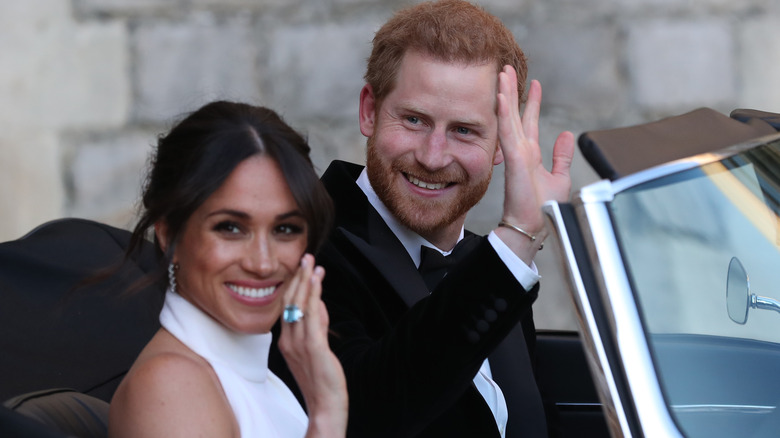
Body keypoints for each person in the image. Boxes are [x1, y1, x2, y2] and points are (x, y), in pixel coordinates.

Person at [291, 1, 575, 437]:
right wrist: (518, 240)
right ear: (370, 111)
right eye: (414, 120)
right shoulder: (303, 245)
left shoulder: (489, 261)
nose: (432, 156)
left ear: (503, 144)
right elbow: (362, 411)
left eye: (464, 130)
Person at [108, 101, 348, 438]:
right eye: (230, 228)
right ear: (169, 235)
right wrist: (326, 414)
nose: (262, 263)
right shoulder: (171, 386)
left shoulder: (260, 377)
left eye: (285, 229)